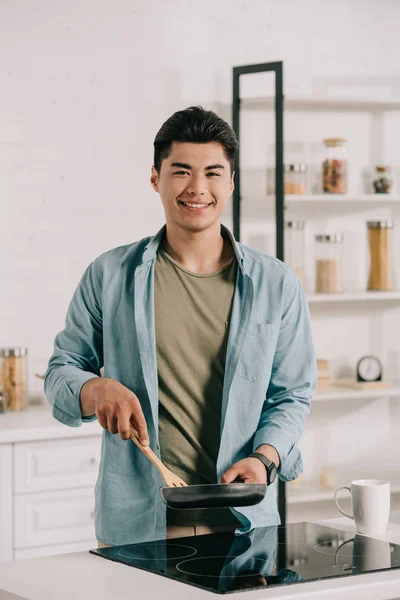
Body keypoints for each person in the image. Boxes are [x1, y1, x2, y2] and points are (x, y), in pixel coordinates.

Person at [44, 106, 316, 547]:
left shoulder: (277, 283)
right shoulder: (109, 275)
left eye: (212, 173)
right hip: (137, 527)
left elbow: (292, 393)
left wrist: (265, 459)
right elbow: (61, 371)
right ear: (155, 178)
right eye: (181, 171)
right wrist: (95, 391)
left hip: (244, 522)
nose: (197, 188)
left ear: (230, 182)